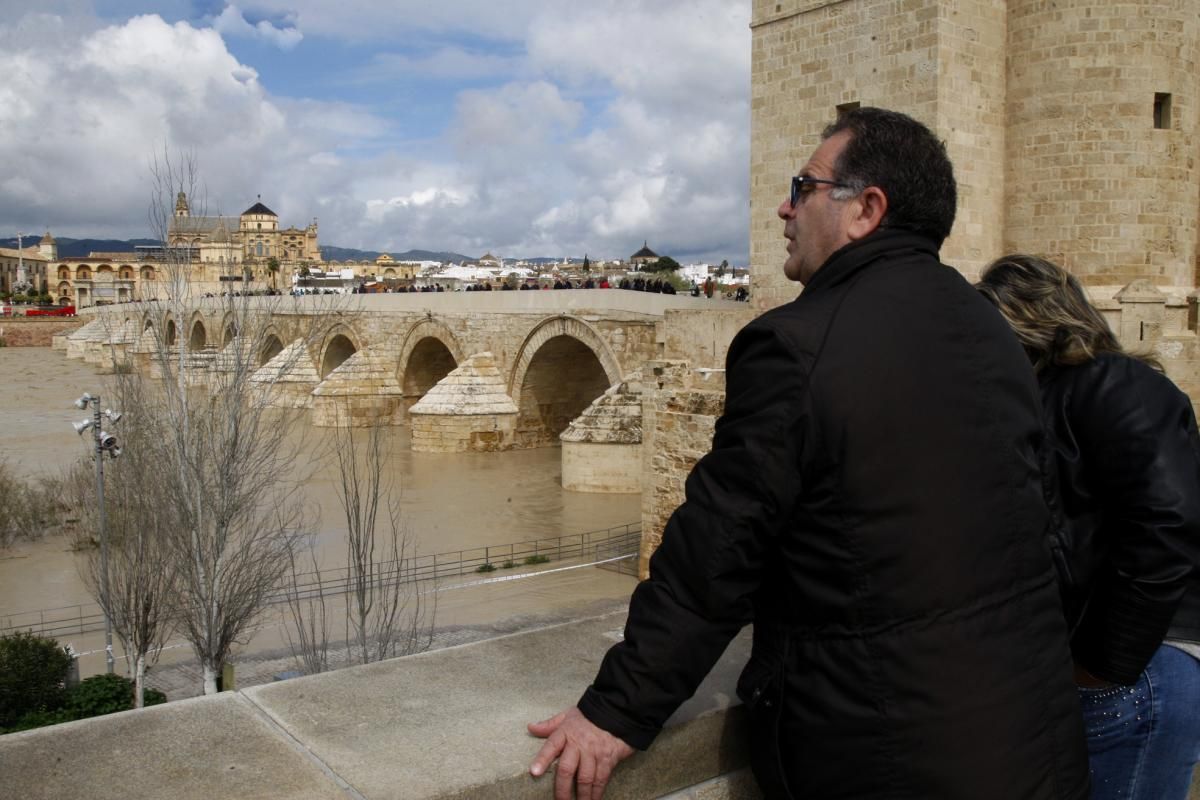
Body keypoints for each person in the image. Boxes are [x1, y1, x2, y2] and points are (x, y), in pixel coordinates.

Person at [528, 107, 1089, 799]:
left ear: (866, 210)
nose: (782, 207)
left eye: (803, 187)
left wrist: (617, 708)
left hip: (887, 755)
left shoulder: (794, 346)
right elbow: (1038, 523)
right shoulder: (990, 329)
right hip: (1028, 737)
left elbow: (715, 555)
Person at [977, 254, 1200, 800]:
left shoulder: (1117, 385)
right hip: (1105, 669)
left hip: (1138, 669)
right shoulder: (1047, 397)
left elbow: (1167, 526)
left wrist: (1102, 665)